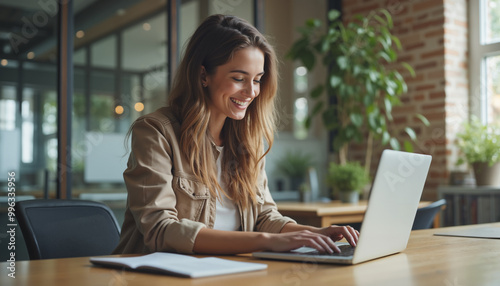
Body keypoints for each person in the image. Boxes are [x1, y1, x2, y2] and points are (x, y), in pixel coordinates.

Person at [113, 14, 359, 256]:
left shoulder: (247, 141)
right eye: (239, 78)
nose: (251, 92)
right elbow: (160, 229)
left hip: (226, 272)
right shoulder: (156, 132)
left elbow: (264, 216)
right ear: (203, 75)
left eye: (258, 79)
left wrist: (314, 233)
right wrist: (266, 241)